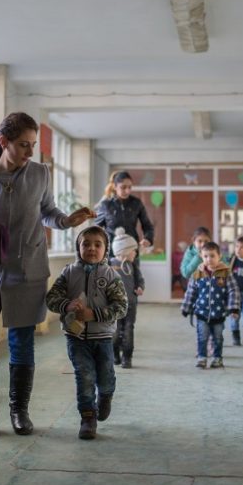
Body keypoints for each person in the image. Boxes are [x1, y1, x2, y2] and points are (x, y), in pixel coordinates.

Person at [0, 112, 95, 438]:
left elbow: (47, 211)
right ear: (4, 142)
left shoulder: (40, 174)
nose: (30, 152)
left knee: (21, 344)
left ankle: (19, 411)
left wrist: (68, 221)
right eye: (23, 145)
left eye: (32, 145)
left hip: (26, 270)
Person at [45, 226, 128, 440]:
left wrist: (94, 314)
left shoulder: (110, 275)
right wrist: (66, 305)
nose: (91, 248)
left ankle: (106, 396)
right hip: (76, 338)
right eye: (86, 244)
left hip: (103, 338)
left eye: (97, 244)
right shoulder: (69, 272)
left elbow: (121, 306)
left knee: (105, 377)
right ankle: (88, 418)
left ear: (106, 249)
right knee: (85, 377)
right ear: (78, 247)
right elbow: (51, 298)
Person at [180, 241, 239, 369]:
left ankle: (217, 358)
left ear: (219, 256)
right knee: (202, 336)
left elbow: (233, 291)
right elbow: (191, 291)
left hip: (219, 314)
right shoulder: (198, 273)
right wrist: (186, 307)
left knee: (217, 337)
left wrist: (234, 308)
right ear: (202, 257)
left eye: (212, 256)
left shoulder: (226, 273)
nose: (209, 259)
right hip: (201, 313)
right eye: (206, 256)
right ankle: (202, 357)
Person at [94, 171, 155, 257]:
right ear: (115, 186)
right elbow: (96, 229)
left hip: (132, 252)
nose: (127, 191)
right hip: (111, 253)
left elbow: (148, 226)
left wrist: (148, 238)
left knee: (133, 271)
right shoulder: (106, 205)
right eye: (123, 187)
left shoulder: (136, 203)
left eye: (130, 187)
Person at [109, 227, 145, 369]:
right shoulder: (110, 266)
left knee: (129, 330)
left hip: (130, 304)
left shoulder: (133, 266)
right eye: (133, 250)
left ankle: (127, 357)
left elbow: (139, 280)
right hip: (114, 306)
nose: (135, 253)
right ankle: (115, 354)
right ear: (123, 251)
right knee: (115, 332)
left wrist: (140, 287)